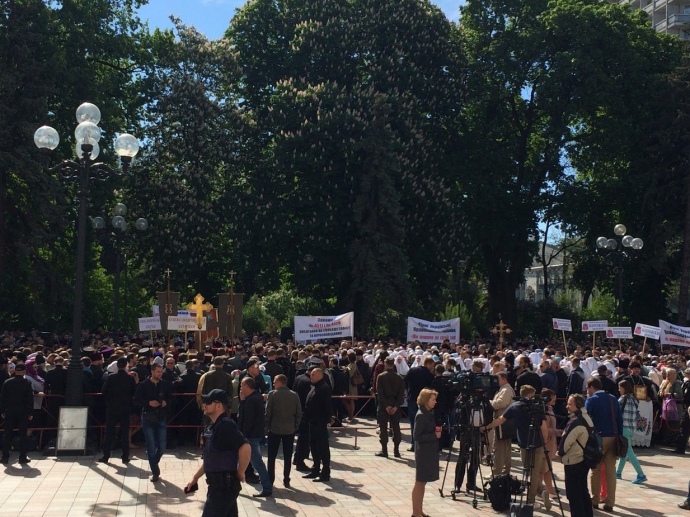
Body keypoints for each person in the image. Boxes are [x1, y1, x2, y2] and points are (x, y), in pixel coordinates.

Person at [481, 385, 551, 512]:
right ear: (530, 394)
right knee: (534, 472)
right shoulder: (537, 406)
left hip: (524, 443)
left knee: (527, 471)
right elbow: (544, 427)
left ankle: (537, 495)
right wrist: (544, 442)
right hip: (538, 443)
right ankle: (534, 497)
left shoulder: (515, 406)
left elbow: (501, 420)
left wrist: (486, 427)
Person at [185, 389, 251, 517]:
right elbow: (211, 459)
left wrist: (241, 471)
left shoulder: (225, 425)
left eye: (208, 402)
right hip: (219, 487)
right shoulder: (214, 426)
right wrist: (195, 478)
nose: (204, 404)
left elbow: (245, 447)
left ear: (219, 405)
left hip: (223, 489)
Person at [585, 376, 623, 512]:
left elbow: (586, 418)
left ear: (591, 387)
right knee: (611, 471)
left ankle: (595, 500)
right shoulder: (612, 398)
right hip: (613, 436)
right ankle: (610, 502)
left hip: (598, 438)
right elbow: (619, 418)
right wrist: (619, 434)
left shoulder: (591, 400)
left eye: (587, 388)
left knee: (595, 470)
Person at [134, 362, 172, 482]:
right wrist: (148, 403)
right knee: (151, 446)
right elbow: (136, 400)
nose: (160, 374)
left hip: (161, 417)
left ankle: (153, 463)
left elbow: (171, 397)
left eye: (161, 372)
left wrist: (166, 402)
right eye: (158, 372)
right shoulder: (143, 385)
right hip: (148, 417)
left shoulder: (164, 384)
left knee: (162, 446)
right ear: (152, 372)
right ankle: (155, 471)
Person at [558, 394, 594, 517]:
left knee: (574, 494)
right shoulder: (586, 417)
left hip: (574, 459)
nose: (567, 406)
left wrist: (560, 453)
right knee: (583, 491)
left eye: (570, 404)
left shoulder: (576, 421)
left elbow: (565, 443)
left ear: (578, 405)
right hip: (584, 459)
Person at [265, 373, 301, 488]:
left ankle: (270, 479)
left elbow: (268, 412)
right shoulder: (294, 395)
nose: (274, 384)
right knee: (287, 455)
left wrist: (267, 427)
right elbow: (298, 413)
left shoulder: (273, 394)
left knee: (271, 456)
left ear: (279, 382)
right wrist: (295, 426)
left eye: (275, 382)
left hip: (275, 429)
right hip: (289, 429)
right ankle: (286, 478)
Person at [238, 376, 272, 497]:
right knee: (241, 461)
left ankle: (267, 487)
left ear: (247, 386)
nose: (240, 387)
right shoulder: (252, 398)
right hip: (252, 435)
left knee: (256, 462)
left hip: (250, 436)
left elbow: (248, 420)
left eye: (242, 385)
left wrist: (243, 436)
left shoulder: (252, 400)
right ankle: (234, 484)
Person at [100, 357, 137, 464]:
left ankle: (106, 456)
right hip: (125, 408)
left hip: (112, 408)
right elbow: (134, 391)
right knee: (125, 433)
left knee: (109, 433)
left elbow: (104, 391)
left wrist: (109, 399)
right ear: (126, 365)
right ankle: (125, 456)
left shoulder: (111, 377)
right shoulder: (129, 378)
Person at [411, 388, 441, 517]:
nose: (435, 402)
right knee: (420, 482)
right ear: (426, 400)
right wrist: (434, 435)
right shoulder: (421, 415)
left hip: (428, 451)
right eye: (433, 399)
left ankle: (419, 511)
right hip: (423, 453)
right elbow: (417, 436)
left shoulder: (428, 412)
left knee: (422, 483)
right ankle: (415, 512)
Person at [302, 366, 333, 482]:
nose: (311, 376)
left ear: (320, 375)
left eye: (313, 375)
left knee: (322, 447)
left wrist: (326, 419)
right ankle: (315, 469)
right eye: (311, 375)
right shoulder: (314, 387)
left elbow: (327, 406)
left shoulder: (324, 388)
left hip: (319, 422)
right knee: (314, 447)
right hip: (312, 422)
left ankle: (325, 472)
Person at [0, 363, 34, 464]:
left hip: (10, 409)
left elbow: (2, 398)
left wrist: (2, 411)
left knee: (7, 434)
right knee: (23, 434)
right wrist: (30, 412)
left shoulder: (7, 382)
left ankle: (5, 457)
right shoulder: (27, 383)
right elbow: (30, 399)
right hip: (22, 410)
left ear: (15, 370)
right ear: (24, 371)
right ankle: (22, 457)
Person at [616, 379, 647, 483]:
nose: (618, 389)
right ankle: (618, 472)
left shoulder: (622, 399)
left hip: (623, 428)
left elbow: (616, 412)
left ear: (624, 388)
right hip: (630, 428)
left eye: (620, 387)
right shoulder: (634, 398)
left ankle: (641, 474)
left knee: (629, 452)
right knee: (624, 451)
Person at [375, 357, 405, 458]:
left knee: (383, 428)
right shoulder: (399, 377)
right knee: (396, 427)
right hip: (395, 405)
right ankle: (396, 450)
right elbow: (401, 394)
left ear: (385, 363)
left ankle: (384, 450)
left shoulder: (381, 376)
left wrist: (386, 405)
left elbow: (380, 393)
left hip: (384, 406)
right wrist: (396, 406)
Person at [405, 356, 435, 452]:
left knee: (413, 422)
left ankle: (413, 444)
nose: (432, 368)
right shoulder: (429, 375)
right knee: (423, 423)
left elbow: (405, 382)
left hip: (412, 399)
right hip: (424, 401)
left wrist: (409, 391)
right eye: (432, 365)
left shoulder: (412, 370)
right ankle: (421, 444)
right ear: (428, 364)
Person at [490, 371, 515, 476]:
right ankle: (503, 471)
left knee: (500, 448)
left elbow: (500, 403)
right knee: (504, 448)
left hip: (503, 422)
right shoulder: (503, 389)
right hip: (503, 421)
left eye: (498, 379)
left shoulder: (506, 390)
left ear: (504, 379)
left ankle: (497, 472)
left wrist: (489, 402)